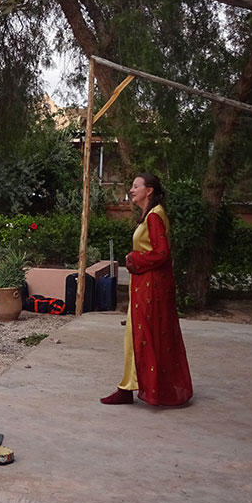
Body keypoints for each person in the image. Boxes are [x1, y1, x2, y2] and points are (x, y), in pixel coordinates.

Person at [100, 173, 193, 407]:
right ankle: (130, 386)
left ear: (149, 190)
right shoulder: (150, 214)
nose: (131, 190)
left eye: (135, 186)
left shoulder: (154, 216)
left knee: (143, 335)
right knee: (138, 334)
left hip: (152, 285)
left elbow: (162, 253)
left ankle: (137, 388)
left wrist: (133, 259)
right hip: (146, 283)